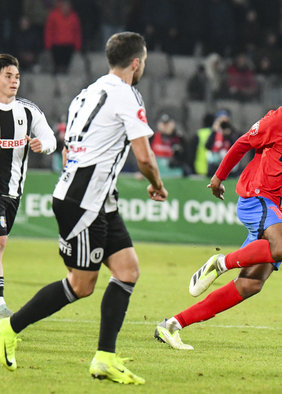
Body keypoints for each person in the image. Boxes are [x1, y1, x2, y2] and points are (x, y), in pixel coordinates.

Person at [0, 32, 168, 385]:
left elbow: (65, 149)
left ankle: (104, 358)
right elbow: (144, 155)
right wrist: (156, 183)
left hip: (98, 200)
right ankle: (8, 329)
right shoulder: (127, 95)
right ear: (136, 63)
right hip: (84, 202)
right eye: (144, 62)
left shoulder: (87, 93)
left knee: (127, 270)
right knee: (81, 284)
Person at [153, 71, 282, 350]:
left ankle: (171, 325)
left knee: (250, 285)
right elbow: (244, 142)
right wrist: (218, 177)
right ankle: (219, 263)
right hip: (258, 196)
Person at [0, 54, 56, 318]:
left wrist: (41, 145)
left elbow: (51, 139)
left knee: (2, 242)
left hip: (13, 191)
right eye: (8, 76)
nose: (14, 81)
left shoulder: (27, 111)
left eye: (17, 77)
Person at [44, 0, 82, 74]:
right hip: (56, 46)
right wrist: (48, 45)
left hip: (69, 46)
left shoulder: (74, 17)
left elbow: (77, 33)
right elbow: (49, 31)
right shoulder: (53, 15)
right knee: (57, 65)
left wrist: (78, 46)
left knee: (66, 66)